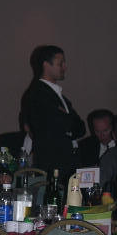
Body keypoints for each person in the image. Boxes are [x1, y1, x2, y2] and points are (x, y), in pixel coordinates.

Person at [20, 44, 85, 179]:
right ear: (46, 65)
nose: (65, 67)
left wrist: (68, 121)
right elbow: (58, 127)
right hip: (53, 163)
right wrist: (69, 122)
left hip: (63, 162)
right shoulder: (39, 94)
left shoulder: (57, 96)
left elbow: (81, 128)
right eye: (60, 64)